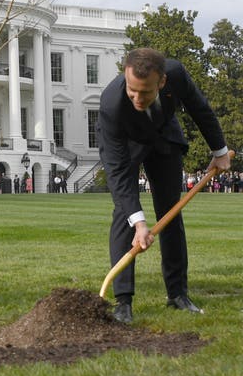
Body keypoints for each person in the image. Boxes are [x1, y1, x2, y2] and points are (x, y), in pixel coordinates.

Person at [97, 47, 230, 323]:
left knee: (170, 212)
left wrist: (220, 152)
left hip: (164, 138)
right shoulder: (111, 104)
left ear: (162, 82)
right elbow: (118, 172)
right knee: (124, 214)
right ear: (126, 76)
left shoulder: (177, 74)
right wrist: (139, 223)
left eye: (145, 92)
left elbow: (200, 109)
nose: (136, 97)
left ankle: (177, 293)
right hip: (127, 143)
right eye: (132, 90)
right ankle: (123, 302)